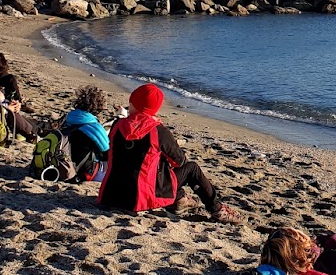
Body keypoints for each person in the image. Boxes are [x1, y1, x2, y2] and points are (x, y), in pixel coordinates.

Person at [97, 83, 245, 223]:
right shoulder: (158, 130)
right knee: (191, 168)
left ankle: (179, 199)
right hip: (139, 198)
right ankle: (217, 209)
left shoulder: (117, 125)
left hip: (111, 194)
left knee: (154, 158)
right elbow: (179, 161)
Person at [62, 85, 114, 180]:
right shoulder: (93, 128)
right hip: (85, 171)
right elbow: (107, 154)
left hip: (65, 164)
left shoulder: (69, 119)